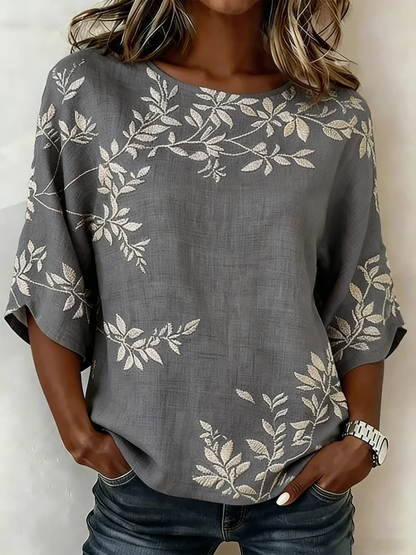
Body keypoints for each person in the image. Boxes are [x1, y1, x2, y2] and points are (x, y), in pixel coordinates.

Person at [4, 0, 407, 553]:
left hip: (304, 482)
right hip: (142, 483)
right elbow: (52, 267)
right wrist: (79, 437)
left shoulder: (334, 115)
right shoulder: (89, 89)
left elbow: (359, 288)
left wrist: (362, 439)